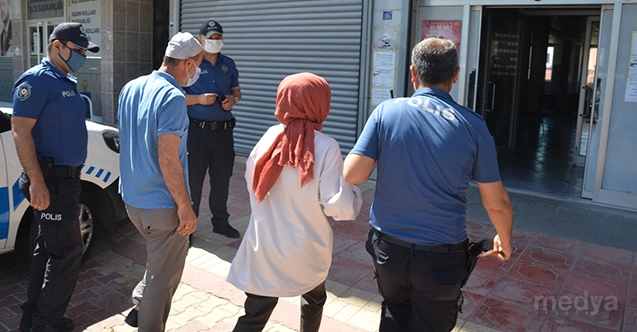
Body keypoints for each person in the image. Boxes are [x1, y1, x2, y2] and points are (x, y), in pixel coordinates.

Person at [343, 37, 513, 332]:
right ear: (456, 75)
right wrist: (505, 240)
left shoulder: (386, 112)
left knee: (395, 312)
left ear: (413, 73)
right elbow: (496, 202)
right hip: (440, 259)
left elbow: (353, 175)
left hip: (388, 251)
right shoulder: (473, 126)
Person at [227, 72, 362, 332]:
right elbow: (338, 206)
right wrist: (353, 191)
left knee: (254, 314)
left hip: (265, 244)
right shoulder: (326, 147)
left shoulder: (268, 137)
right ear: (320, 103)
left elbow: (251, 181)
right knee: (314, 300)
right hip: (306, 248)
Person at [12, 22, 99, 332]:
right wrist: (37, 182)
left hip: (65, 181)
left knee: (47, 250)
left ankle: (33, 318)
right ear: (57, 46)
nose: (82, 56)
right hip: (51, 182)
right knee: (67, 252)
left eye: (84, 51)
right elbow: (20, 131)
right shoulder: (37, 81)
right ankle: (47, 323)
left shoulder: (64, 79)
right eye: (77, 50)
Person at [117, 32, 202, 331]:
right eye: (198, 65)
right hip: (162, 206)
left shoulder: (131, 87)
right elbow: (168, 156)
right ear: (188, 63)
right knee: (163, 282)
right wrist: (185, 206)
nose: (197, 72)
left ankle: (139, 300)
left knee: (158, 261)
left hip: (132, 200)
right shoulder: (174, 97)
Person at [185, 19, 242, 239]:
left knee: (221, 179)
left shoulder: (228, 64)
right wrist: (198, 98)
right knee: (194, 182)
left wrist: (232, 99)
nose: (215, 41)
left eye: (219, 38)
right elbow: (176, 97)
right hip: (197, 133)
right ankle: (189, 228)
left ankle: (220, 222)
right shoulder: (191, 64)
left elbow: (237, 92)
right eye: (211, 38)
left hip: (224, 133)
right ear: (201, 40)